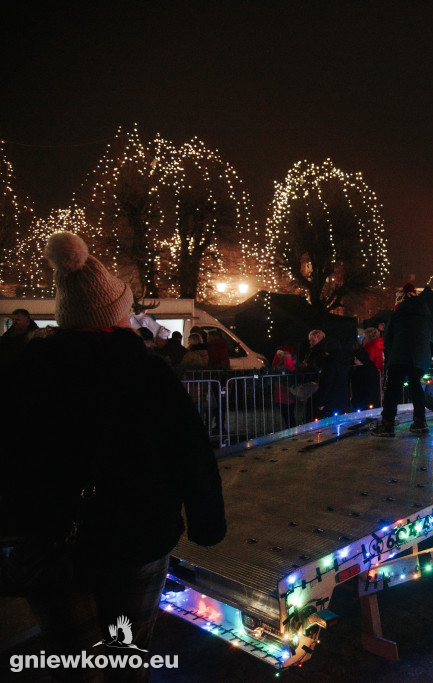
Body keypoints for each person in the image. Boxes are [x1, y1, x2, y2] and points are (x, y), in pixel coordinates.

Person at [0, 231, 226, 671]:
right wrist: (206, 523)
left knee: (75, 661)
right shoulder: (149, 375)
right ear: (115, 315)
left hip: (51, 543)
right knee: (128, 655)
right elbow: (191, 455)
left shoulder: (24, 374)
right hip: (136, 539)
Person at [371, 283, 433, 437]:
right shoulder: (426, 316)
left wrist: (392, 353)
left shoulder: (397, 314)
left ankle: (388, 424)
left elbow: (388, 339)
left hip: (399, 356)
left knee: (393, 390)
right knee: (416, 387)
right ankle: (420, 422)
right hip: (420, 358)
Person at [304, 329, 351, 418]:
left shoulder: (329, 362)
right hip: (341, 398)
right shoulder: (343, 361)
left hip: (330, 399)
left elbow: (326, 382)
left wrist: (321, 401)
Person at [350, 330, 382, 411]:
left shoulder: (369, 349)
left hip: (368, 382)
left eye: (364, 337)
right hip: (377, 376)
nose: (362, 340)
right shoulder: (379, 346)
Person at [271, 345, 297, 426]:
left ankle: (291, 428)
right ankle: (290, 428)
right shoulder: (288, 359)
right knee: (287, 414)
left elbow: (289, 368)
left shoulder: (286, 361)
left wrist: (287, 357)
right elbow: (290, 368)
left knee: (288, 414)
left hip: (286, 393)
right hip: (283, 393)